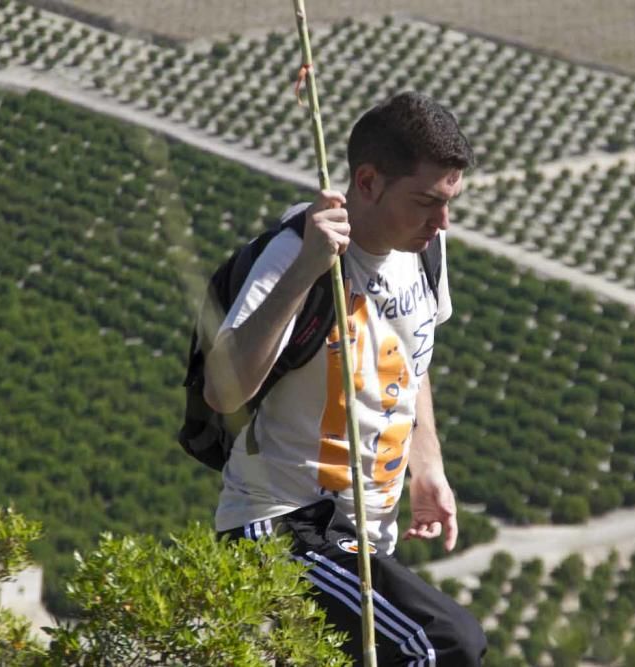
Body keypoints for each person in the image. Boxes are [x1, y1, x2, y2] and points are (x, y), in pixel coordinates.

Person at [204, 91, 486, 665]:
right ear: (367, 182)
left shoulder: (424, 251)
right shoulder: (293, 255)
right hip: (282, 526)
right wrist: (309, 267)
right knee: (442, 644)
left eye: (449, 202)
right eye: (426, 202)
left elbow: (413, 359)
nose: (442, 222)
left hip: (362, 536)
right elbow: (223, 390)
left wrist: (426, 467)